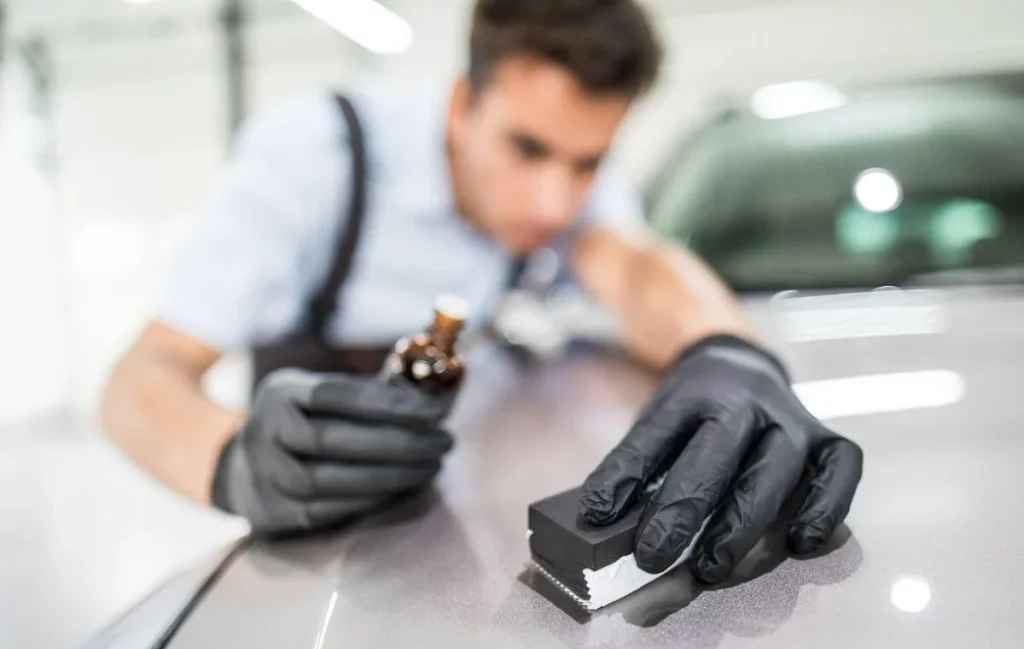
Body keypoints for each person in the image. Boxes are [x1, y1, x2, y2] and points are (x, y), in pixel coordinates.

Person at [99, 0, 862, 584]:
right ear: (462, 104)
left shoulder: (560, 192)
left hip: (445, 544)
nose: (553, 203)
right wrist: (233, 461)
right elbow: (140, 379)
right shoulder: (313, 159)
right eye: (526, 149)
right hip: (314, 556)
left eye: (587, 163)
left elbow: (635, 267)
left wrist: (728, 348)